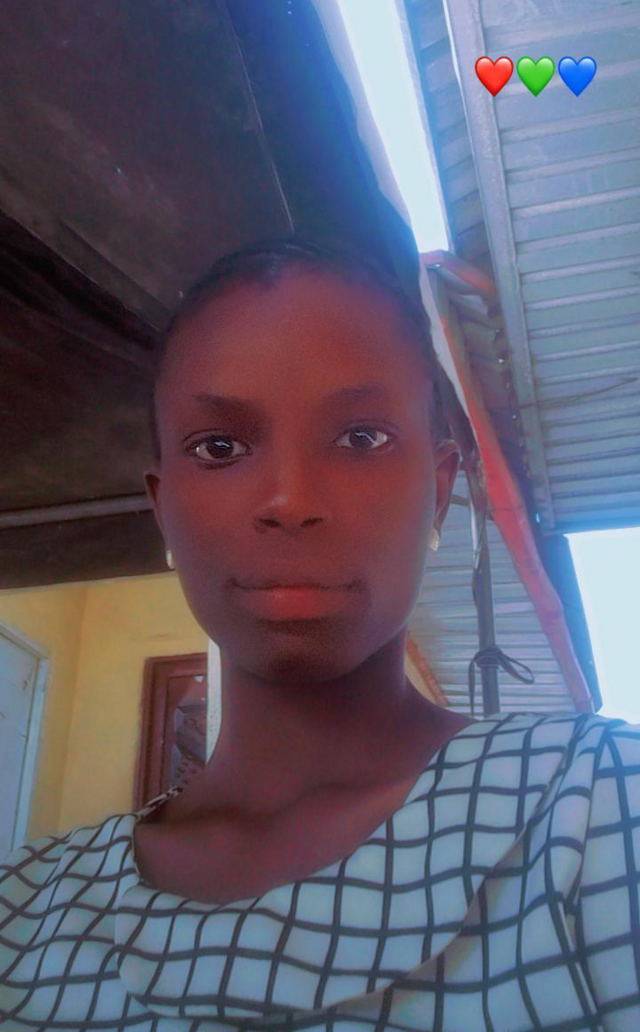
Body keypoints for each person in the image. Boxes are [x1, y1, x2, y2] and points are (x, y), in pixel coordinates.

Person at [1, 237, 639, 1031]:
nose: (290, 500)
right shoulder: (25, 916)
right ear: (164, 509)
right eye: (220, 447)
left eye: (361, 437)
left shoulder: (597, 809)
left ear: (438, 491)